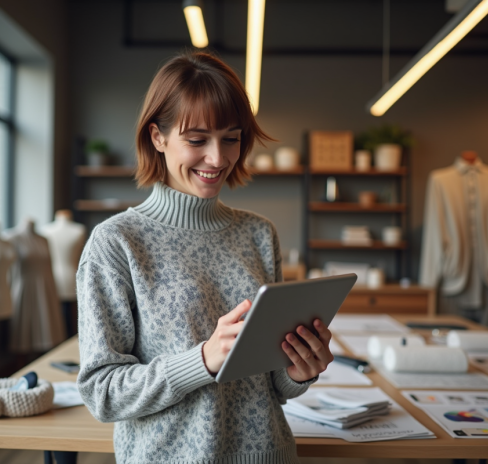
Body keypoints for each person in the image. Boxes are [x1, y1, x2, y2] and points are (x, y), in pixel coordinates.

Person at [77, 51, 334, 464]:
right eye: (197, 140)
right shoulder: (116, 243)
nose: (218, 158)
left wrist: (299, 371)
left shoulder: (258, 233)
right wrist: (200, 361)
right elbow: (102, 393)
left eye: (231, 138)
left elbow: (273, 385)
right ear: (157, 137)